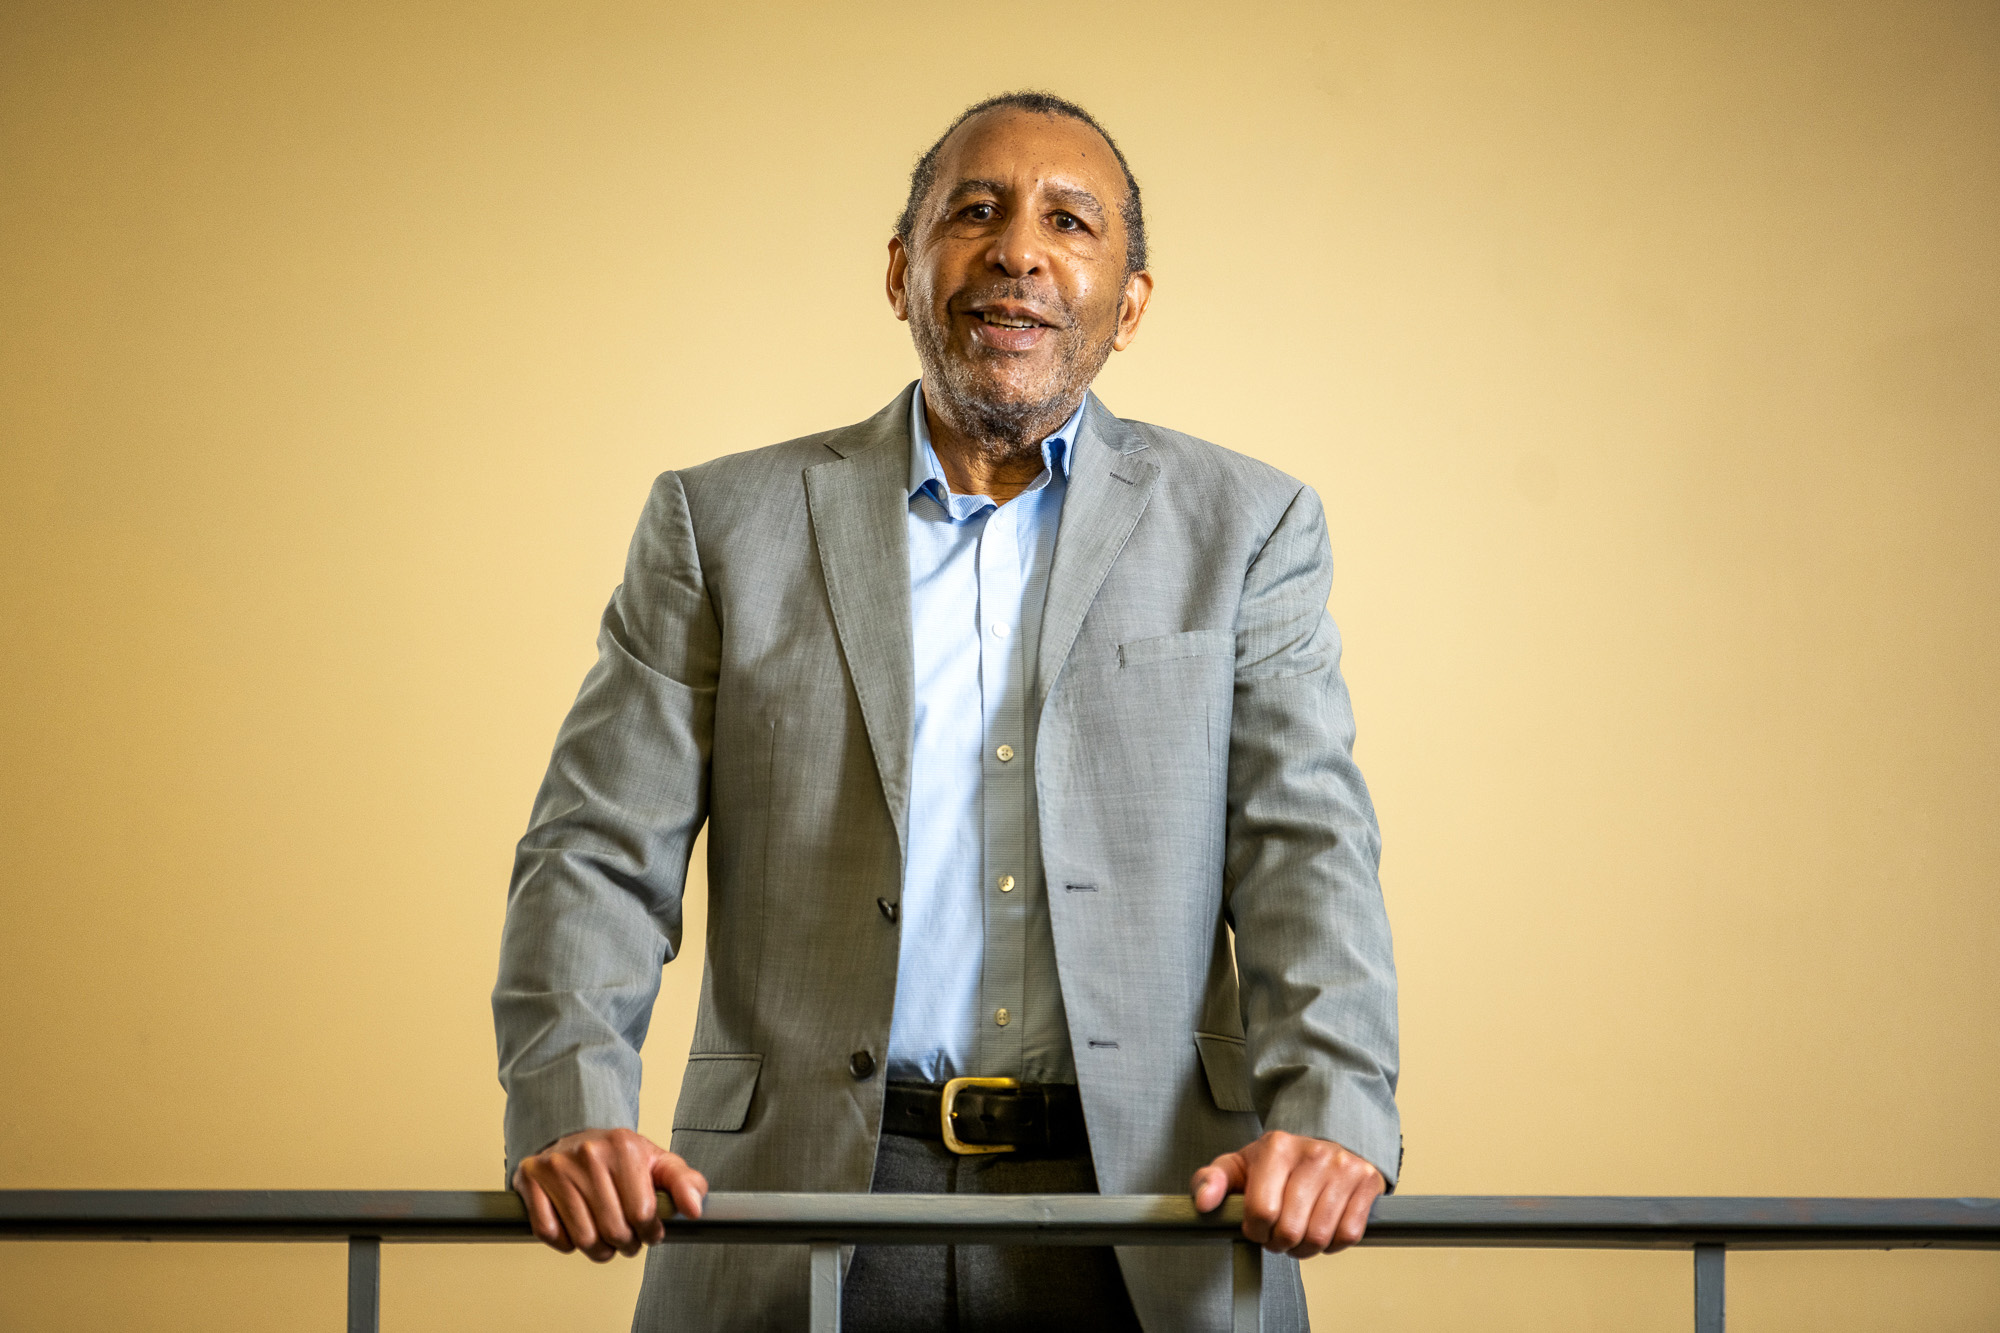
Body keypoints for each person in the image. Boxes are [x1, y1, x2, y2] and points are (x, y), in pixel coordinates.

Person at [493, 90, 1400, 1332]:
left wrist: (1330, 1114)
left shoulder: (1247, 531)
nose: (1017, 250)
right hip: (799, 1203)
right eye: (972, 211)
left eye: (1068, 222)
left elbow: (1308, 852)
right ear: (899, 273)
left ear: (1127, 305)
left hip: (1148, 1209)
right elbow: (595, 849)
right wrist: (570, 1102)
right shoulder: (721, 527)